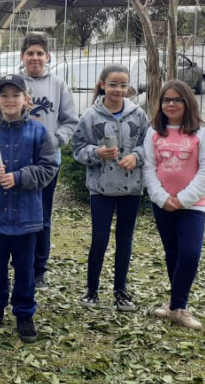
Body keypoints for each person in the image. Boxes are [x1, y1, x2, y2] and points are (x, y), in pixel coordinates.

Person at [0, 74, 58, 344]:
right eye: (4, 95)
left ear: (25, 99)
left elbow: (49, 167)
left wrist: (19, 177)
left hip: (27, 217)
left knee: (25, 269)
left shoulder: (39, 131)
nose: (9, 100)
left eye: (15, 95)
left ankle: (24, 314)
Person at [143, 79, 205, 331]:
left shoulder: (201, 132)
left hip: (192, 205)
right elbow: (149, 167)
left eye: (177, 99)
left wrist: (183, 199)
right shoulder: (154, 131)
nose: (171, 104)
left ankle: (178, 306)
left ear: (187, 102)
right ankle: (176, 306)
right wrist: (162, 198)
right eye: (167, 100)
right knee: (173, 254)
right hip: (162, 204)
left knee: (190, 254)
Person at [71, 64, 148, 312]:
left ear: (129, 88)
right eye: (113, 84)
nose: (118, 89)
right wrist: (97, 153)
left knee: (124, 240)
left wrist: (136, 156)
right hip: (100, 189)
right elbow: (77, 149)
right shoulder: (89, 117)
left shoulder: (139, 115)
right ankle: (92, 290)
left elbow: (149, 145)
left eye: (123, 85)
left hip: (131, 188)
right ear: (103, 84)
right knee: (99, 240)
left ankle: (121, 291)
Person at [19, 34, 79, 290]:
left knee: (42, 215)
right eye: (30, 53)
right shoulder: (14, 83)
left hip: (46, 163)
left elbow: (71, 121)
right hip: (17, 161)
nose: (35, 58)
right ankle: (19, 264)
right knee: (17, 214)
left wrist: (54, 140)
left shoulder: (58, 85)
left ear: (47, 57)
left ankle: (39, 268)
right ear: (22, 56)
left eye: (39, 53)